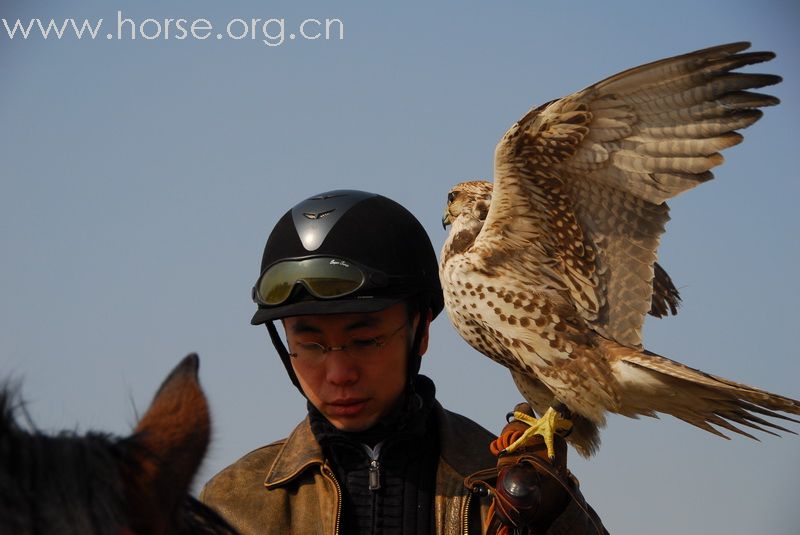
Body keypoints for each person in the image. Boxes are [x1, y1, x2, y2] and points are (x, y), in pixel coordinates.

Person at [200, 190, 605, 534]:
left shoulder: (506, 481)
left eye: (365, 341)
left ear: (422, 332)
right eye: (310, 345)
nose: (339, 375)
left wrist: (556, 526)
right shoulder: (234, 505)